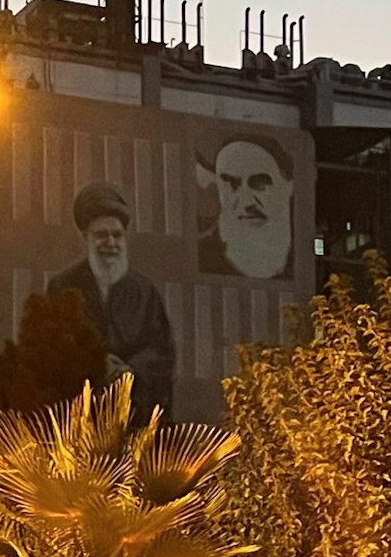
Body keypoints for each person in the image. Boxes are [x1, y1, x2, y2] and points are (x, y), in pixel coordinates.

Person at [45, 181, 175, 420]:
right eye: (102, 235)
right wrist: (98, 363)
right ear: (86, 237)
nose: (111, 243)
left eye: (117, 235)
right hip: (79, 417)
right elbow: (53, 346)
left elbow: (161, 351)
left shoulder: (145, 292)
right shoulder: (63, 287)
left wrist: (129, 371)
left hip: (134, 413)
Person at [197, 137, 294, 280]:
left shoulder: (307, 262)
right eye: (231, 184)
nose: (247, 202)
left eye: (259, 183)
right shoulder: (202, 254)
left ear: (288, 186)